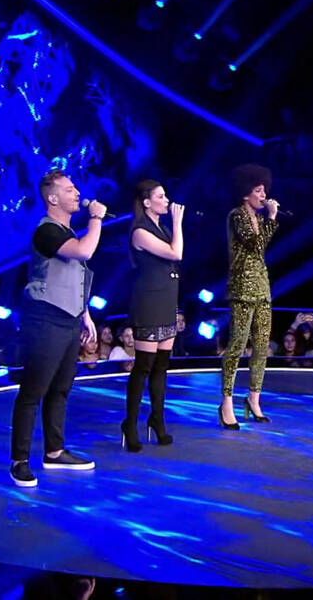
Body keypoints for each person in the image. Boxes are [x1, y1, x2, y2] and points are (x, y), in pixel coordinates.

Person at [9, 170, 106, 488]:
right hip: (44, 318)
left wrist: (85, 314)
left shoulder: (67, 231)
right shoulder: (47, 230)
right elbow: (84, 252)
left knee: (61, 388)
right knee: (33, 390)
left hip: (69, 318)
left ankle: (54, 451)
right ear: (52, 198)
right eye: (69, 189)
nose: (77, 193)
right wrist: (96, 218)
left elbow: (75, 275)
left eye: (76, 188)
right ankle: (19, 461)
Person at [121, 179, 184, 452]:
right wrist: (178, 223)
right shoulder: (140, 231)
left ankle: (157, 419)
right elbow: (175, 253)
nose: (166, 200)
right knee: (143, 367)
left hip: (167, 301)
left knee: (161, 367)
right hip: (149, 303)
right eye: (161, 196)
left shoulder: (162, 228)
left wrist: (174, 226)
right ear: (147, 202)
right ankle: (130, 424)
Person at [220, 164, 279, 428]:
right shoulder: (237, 216)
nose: (264, 195)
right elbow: (256, 244)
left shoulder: (260, 219)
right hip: (242, 289)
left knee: (261, 346)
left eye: (264, 190)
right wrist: (272, 218)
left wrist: (269, 220)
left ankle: (254, 399)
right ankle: (227, 402)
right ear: (246, 193)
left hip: (262, 288)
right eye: (258, 190)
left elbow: (261, 247)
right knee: (237, 345)